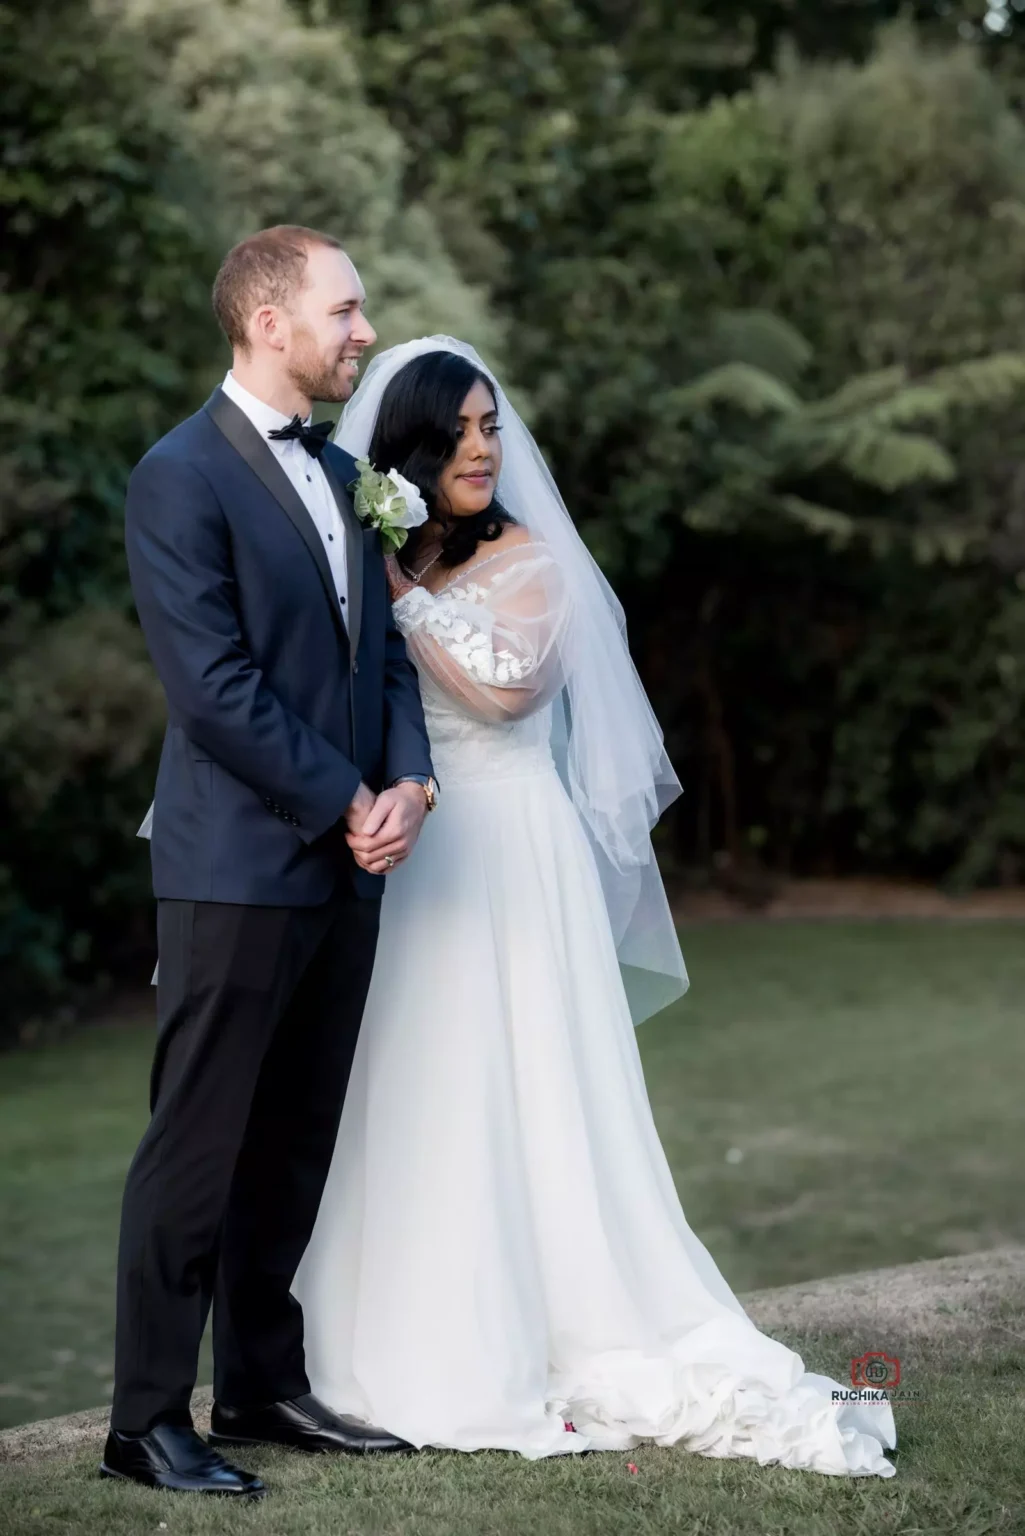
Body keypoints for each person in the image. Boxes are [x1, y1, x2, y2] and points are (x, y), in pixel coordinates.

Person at [291, 338, 898, 1478]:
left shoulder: (530, 559)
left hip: (514, 850)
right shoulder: (374, 546)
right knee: (416, 1084)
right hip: (410, 855)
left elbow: (510, 690)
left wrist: (403, 601)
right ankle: (381, 1335)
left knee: (525, 1086)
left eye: (490, 428)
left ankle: (551, 1319)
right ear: (410, 451)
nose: (483, 449)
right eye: (459, 433)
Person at [106, 227, 437, 1499]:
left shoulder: (350, 473)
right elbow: (213, 691)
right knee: (195, 1144)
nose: (363, 331)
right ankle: (143, 1420)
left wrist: (408, 781)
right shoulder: (176, 475)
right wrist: (347, 795)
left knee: (293, 1140)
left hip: (349, 864)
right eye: (345, 310)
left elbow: (388, 660)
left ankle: (256, 1383)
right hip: (234, 867)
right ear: (268, 321)